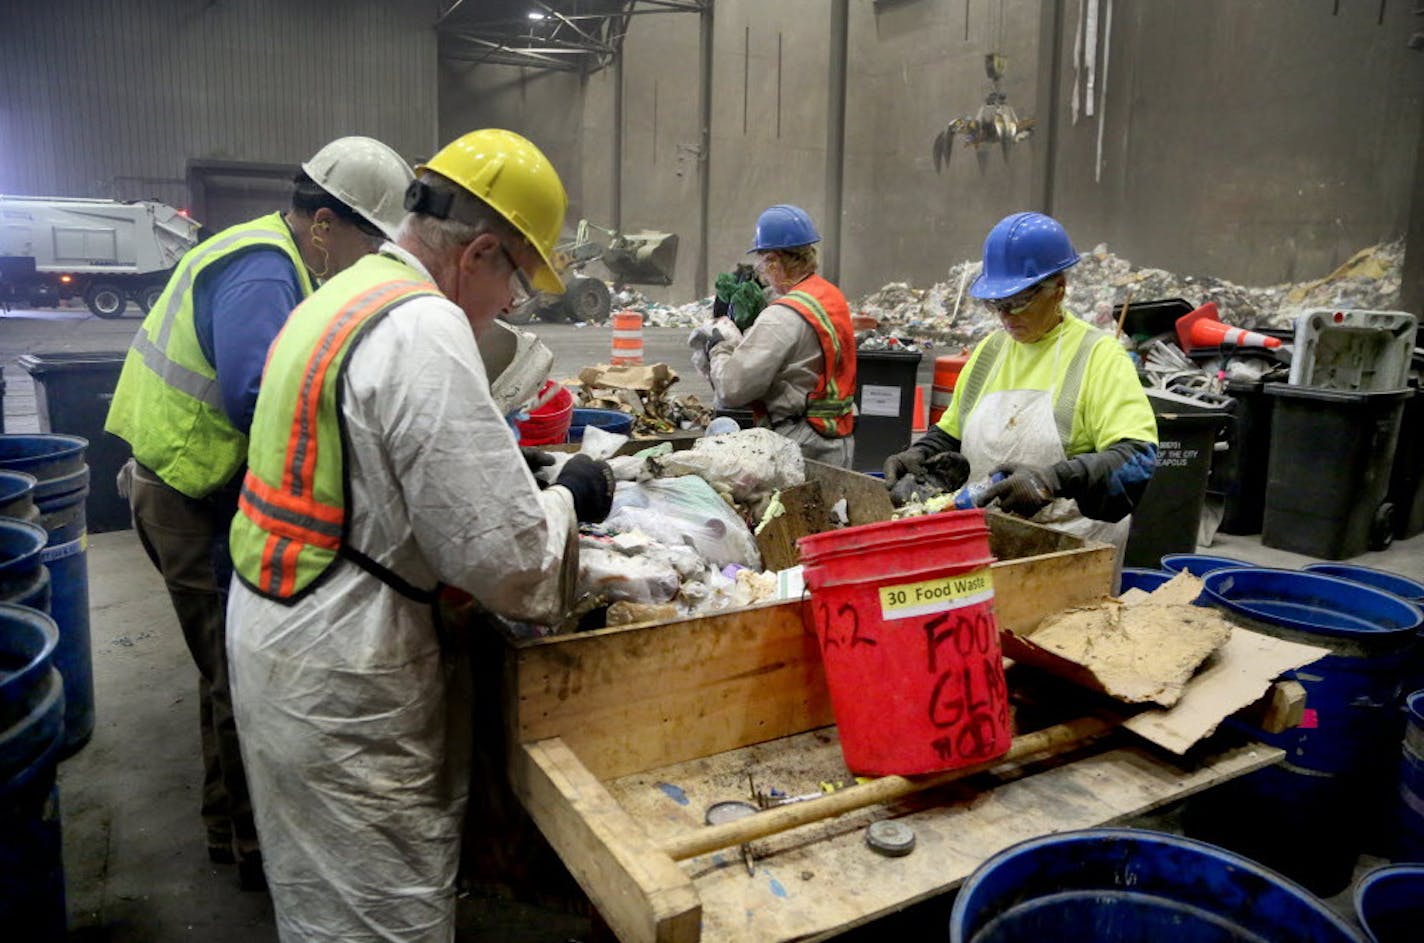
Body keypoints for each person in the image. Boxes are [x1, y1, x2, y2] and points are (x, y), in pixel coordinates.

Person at [224, 128, 616, 941]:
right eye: (514, 277)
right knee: (378, 913)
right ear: (478, 253)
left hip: (284, 629)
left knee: (322, 899)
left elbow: (384, 479)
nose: (511, 304)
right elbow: (509, 561)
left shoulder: (343, 293)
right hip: (347, 674)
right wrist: (570, 495)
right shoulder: (424, 330)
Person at [103, 136, 414, 890]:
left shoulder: (277, 258)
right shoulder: (263, 269)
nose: (371, 258)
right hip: (184, 488)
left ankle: (229, 827)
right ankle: (251, 847)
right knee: (239, 675)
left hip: (195, 484)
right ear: (323, 225)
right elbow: (258, 394)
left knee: (226, 669)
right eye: (370, 239)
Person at [884, 211, 1157, 565]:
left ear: (1058, 288)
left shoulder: (1098, 356)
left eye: (1017, 301)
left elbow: (1136, 459)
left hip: (1070, 550)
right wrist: (918, 455)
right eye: (995, 303)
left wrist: (1051, 480)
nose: (1005, 315)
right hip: (989, 545)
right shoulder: (990, 352)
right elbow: (952, 432)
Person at [699, 204, 857, 468]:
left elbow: (732, 389)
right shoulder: (829, 296)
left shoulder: (780, 318)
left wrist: (720, 347)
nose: (760, 268)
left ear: (774, 260)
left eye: (763, 260)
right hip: (836, 439)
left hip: (799, 444)